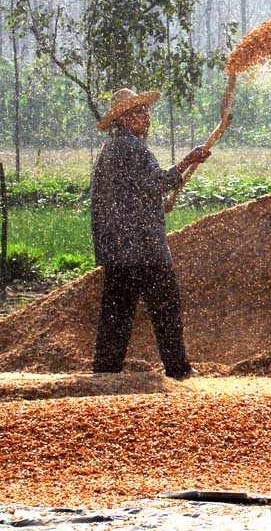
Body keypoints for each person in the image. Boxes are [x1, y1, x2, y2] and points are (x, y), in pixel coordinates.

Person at [90, 88, 211, 379]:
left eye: (146, 111)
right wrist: (189, 160)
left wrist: (151, 206)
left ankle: (106, 368)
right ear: (123, 119)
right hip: (141, 246)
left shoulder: (113, 148)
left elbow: (132, 193)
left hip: (119, 246)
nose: (146, 117)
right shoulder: (131, 147)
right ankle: (178, 368)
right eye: (139, 112)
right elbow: (157, 183)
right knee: (165, 306)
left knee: (117, 309)